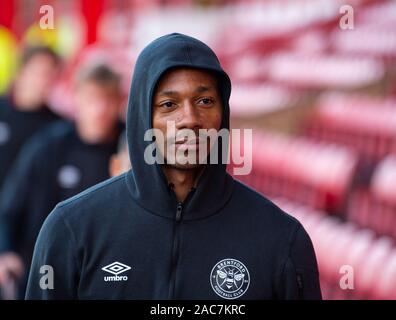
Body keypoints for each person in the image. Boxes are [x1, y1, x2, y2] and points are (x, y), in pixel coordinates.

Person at [25, 33, 322, 300]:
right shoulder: (72, 229)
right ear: (142, 116)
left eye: (205, 101)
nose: (190, 118)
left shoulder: (280, 240)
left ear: (224, 114)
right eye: (169, 105)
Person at [0, 64, 124, 299]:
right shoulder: (48, 146)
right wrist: (5, 250)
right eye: (92, 99)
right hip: (46, 263)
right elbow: (11, 205)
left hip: (111, 266)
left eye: (107, 100)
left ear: (119, 102)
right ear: (76, 98)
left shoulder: (131, 147)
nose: (99, 109)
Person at [0, 46, 61, 189]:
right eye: (40, 73)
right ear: (21, 72)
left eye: (51, 75)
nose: (44, 81)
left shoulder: (56, 126)